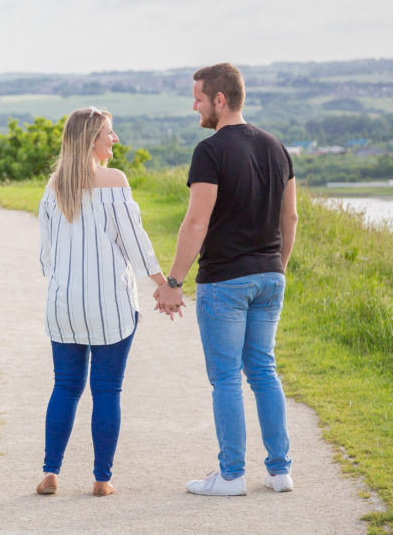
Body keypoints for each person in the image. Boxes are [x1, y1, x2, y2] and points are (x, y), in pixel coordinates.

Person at [155, 62, 299, 496]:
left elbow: (196, 223)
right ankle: (279, 472)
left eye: (198, 98)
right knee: (264, 371)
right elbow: (289, 217)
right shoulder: (276, 147)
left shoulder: (210, 150)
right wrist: (278, 266)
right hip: (270, 276)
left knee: (226, 378)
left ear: (220, 100)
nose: (194, 105)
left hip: (225, 282)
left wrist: (174, 283)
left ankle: (232, 475)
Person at [36, 106, 167, 497]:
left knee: (65, 386)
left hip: (63, 305)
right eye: (109, 133)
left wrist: (64, 279)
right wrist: (165, 283)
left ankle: (50, 473)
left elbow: (46, 254)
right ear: (92, 139)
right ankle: (101, 479)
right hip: (108, 302)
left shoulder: (54, 185)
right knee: (106, 390)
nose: (115, 139)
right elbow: (135, 241)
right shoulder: (114, 181)